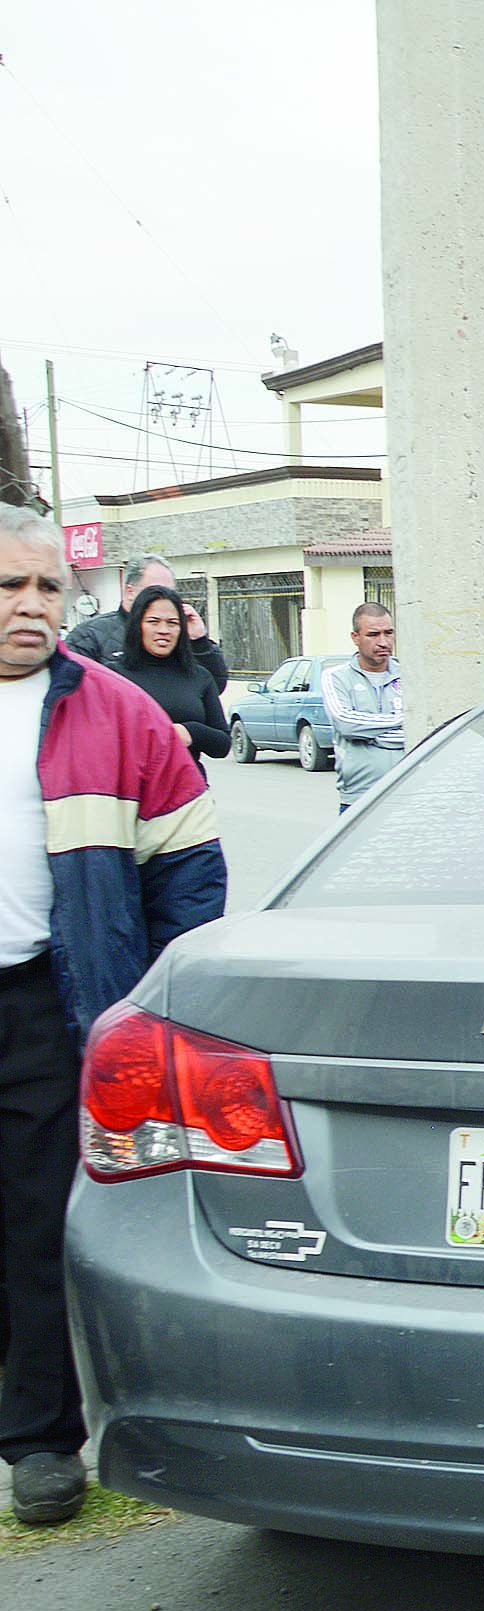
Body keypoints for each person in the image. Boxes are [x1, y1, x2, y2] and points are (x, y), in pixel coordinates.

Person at [0, 505, 227, 1527]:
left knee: (39, 1226)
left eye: (47, 587)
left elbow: (189, 872)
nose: (29, 606)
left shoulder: (118, 711)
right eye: (10, 586)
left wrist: (143, 997)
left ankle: (40, 1439)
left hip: (53, 1008)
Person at [108, 585, 232, 760]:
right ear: (137, 625)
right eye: (153, 621)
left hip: (186, 784)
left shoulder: (199, 676)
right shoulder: (112, 676)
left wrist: (189, 732)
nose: (163, 630)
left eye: (172, 623)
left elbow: (223, 745)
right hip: (132, 784)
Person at [319, 603, 404, 810]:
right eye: (373, 635)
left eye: (388, 633)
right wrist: (401, 720)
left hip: (407, 794)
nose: (383, 642)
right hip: (358, 800)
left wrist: (369, 733)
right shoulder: (336, 677)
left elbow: (423, 729)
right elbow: (345, 724)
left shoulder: (410, 675)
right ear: (355, 637)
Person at [62, 554, 180, 664]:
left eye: (170, 592)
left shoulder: (179, 632)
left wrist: (197, 642)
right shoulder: (88, 635)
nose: (164, 599)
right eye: (154, 592)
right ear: (130, 591)